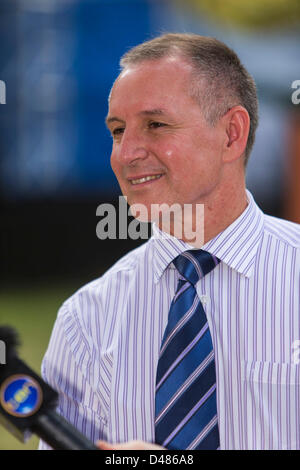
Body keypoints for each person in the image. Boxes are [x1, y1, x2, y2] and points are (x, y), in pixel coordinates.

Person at [39, 33, 300, 450]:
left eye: (155, 125)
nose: (126, 154)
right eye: (118, 131)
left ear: (232, 134)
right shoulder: (84, 322)